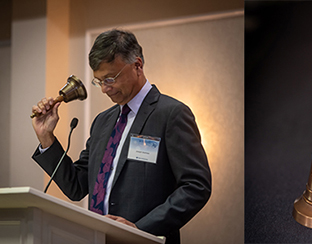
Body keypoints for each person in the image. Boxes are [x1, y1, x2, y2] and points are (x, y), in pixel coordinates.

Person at [31, 29, 211, 244]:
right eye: (99, 81)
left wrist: (140, 229)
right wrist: (46, 138)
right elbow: (77, 186)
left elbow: (196, 186)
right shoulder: (102, 121)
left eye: (110, 78)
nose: (105, 89)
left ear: (137, 65)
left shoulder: (171, 114)